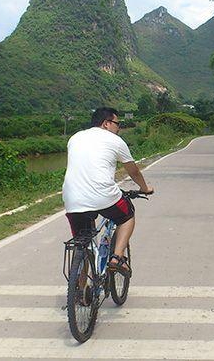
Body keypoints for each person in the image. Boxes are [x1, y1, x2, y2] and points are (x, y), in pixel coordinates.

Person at [62, 107, 154, 277]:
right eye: (116, 123)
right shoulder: (115, 140)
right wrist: (145, 188)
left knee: (83, 243)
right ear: (106, 123)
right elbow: (133, 172)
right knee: (127, 215)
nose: (118, 128)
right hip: (103, 196)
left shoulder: (75, 138)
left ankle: (79, 293)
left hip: (72, 199)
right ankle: (117, 258)